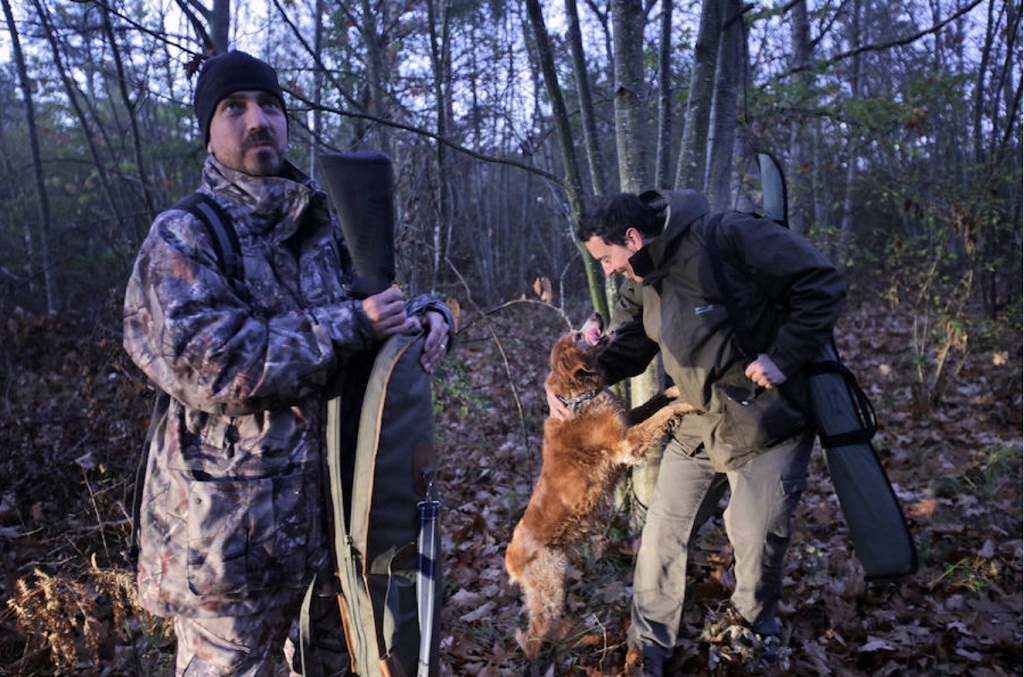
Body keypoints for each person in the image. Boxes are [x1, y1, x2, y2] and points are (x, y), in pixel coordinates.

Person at [123, 50, 453, 676]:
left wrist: (432, 315)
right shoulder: (185, 236)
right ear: (210, 129)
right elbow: (211, 368)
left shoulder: (319, 226)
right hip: (229, 550)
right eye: (235, 108)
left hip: (333, 535)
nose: (258, 120)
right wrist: (352, 325)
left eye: (269, 105)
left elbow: (373, 302)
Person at [551, 190, 846, 676]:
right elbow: (630, 345)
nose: (605, 270)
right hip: (696, 419)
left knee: (756, 538)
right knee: (663, 536)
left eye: (606, 258)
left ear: (632, 237)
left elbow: (822, 283)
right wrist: (577, 382)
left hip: (766, 420)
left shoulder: (729, 235)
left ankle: (751, 640)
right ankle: (646, 652)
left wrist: (784, 356)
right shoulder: (640, 275)